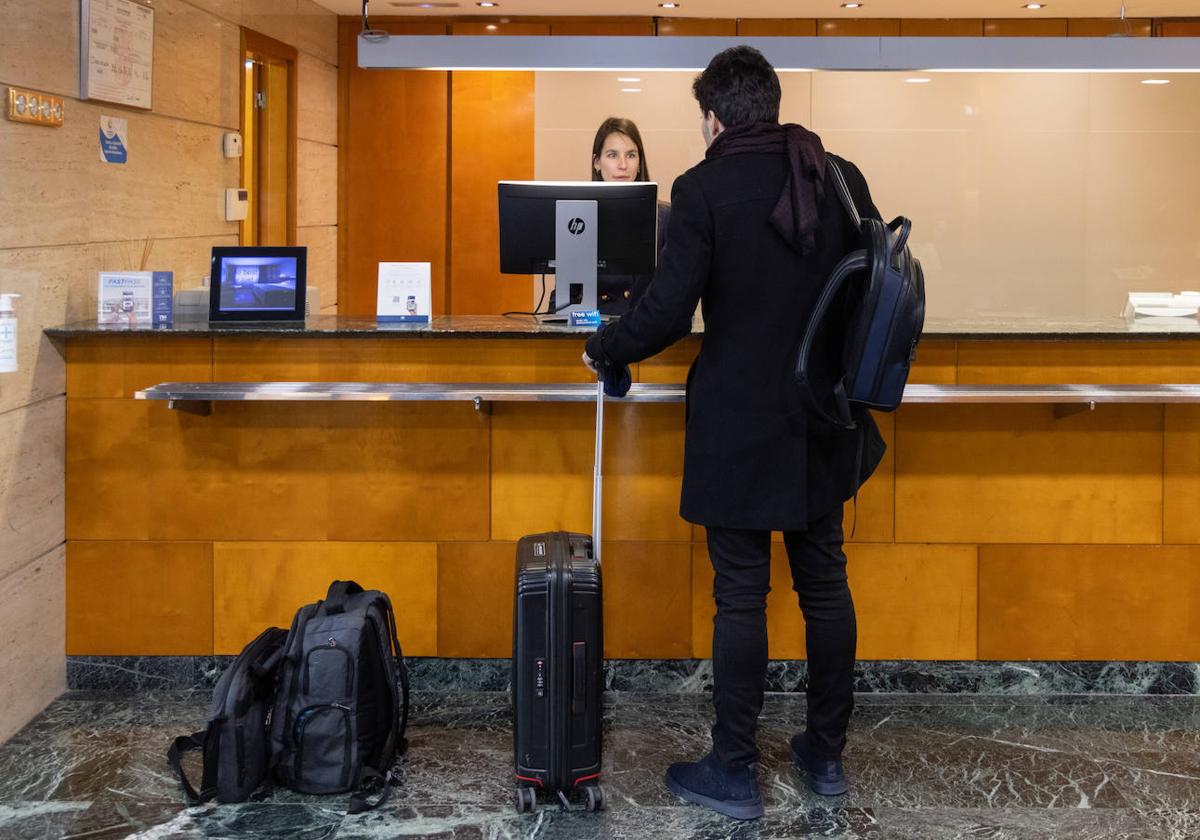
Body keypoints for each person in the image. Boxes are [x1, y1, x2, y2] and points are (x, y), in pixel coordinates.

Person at [582, 47, 886, 820]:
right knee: (825, 583)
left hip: (740, 424)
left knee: (740, 596)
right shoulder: (841, 176)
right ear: (773, 105)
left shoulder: (703, 188)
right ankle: (825, 758)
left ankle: (734, 770)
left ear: (714, 118)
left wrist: (605, 347)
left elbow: (665, 312)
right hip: (824, 418)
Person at [547, 117, 670, 317]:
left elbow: (675, 291)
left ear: (639, 164)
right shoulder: (578, 221)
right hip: (597, 335)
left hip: (648, 333)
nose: (623, 165)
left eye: (631, 155)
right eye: (612, 155)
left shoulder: (666, 219)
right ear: (597, 163)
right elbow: (564, 297)